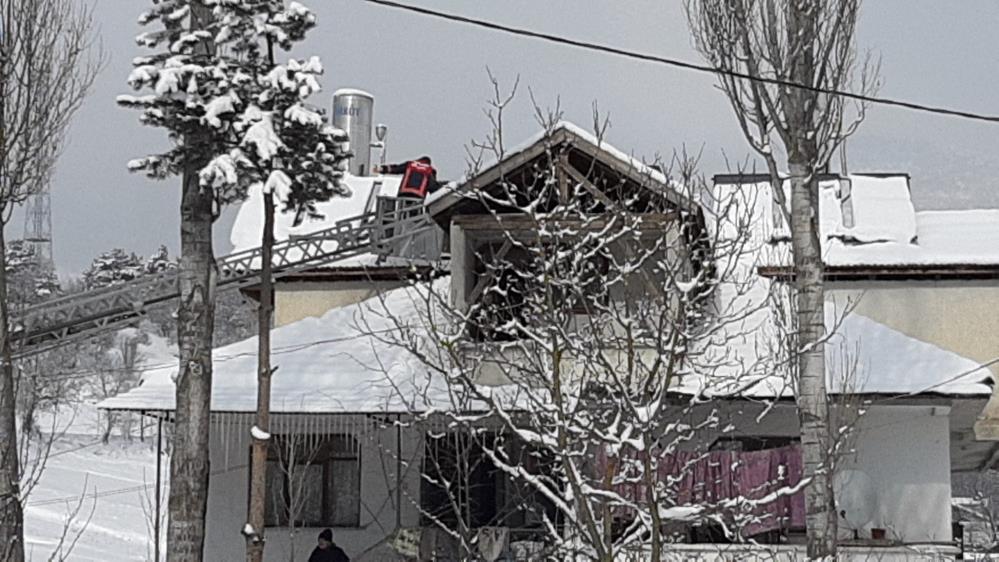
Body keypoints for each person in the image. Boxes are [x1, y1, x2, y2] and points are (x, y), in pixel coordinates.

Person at [376, 156, 442, 198]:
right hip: (417, 197)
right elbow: (433, 186)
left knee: (402, 213)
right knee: (413, 214)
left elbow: (396, 169)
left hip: (403, 194)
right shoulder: (429, 170)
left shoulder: (410, 164)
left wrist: (383, 169)